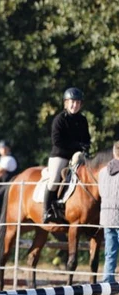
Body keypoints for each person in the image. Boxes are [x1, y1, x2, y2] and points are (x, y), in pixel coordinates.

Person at [43, 87, 91, 223]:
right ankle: (46, 210)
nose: (74, 105)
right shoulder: (59, 119)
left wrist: (86, 146)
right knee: (54, 179)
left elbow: (86, 138)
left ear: (80, 105)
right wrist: (77, 145)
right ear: (66, 103)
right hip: (60, 155)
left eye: (77, 102)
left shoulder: (82, 120)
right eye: (72, 102)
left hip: (77, 155)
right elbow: (57, 141)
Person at [98, 139, 119, 284]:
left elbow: (100, 192)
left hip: (106, 215)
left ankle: (107, 280)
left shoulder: (102, 172)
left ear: (113, 152)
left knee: (110, 252)